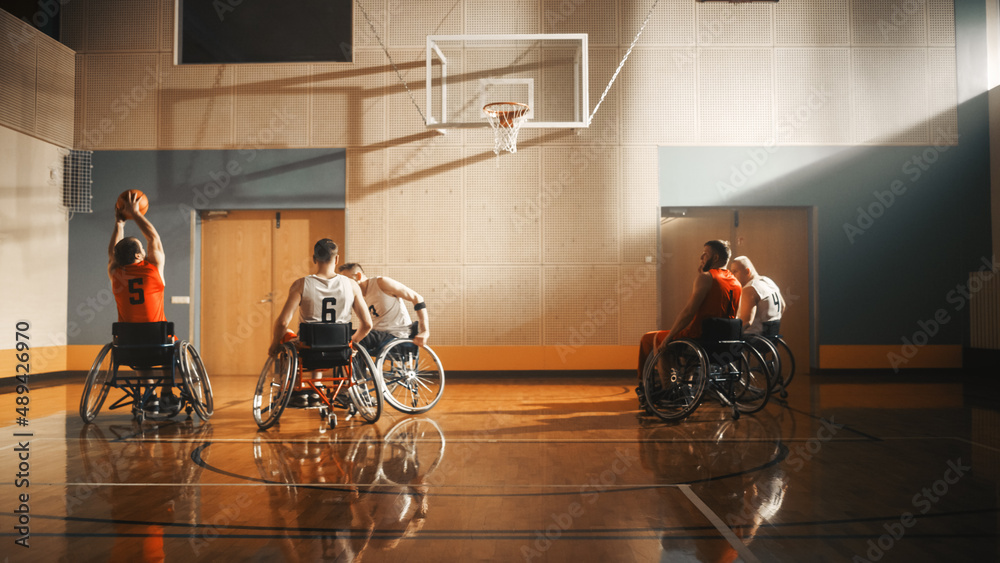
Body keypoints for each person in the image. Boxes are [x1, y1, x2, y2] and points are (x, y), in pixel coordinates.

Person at [636, 240, 742, 409]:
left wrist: (668, 338)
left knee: (658, 340)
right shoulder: (736, 282)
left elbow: (688, 313)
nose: (701, 257)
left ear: (714, 257)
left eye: (705, 254)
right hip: (722, 340)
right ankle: (679, 387)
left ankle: (669, 389)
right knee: (648, 338)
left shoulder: (707, 278)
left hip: (699, 335)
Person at [269, 239, 373, 408]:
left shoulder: (301, 284)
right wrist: (352, 343)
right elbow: (367, 324)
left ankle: (297, 391)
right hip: (340, 352)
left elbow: (282, 322)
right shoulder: (352, 285)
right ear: (337, 259)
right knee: (324, 335)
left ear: (314, 258)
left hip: (309, 351)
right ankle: (316, 387)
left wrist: (274, 345)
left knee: (289, 337)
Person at [108, 191, 173, 412]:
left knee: (141, 349)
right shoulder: (152, 270)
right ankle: (166, 394)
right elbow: (154, 237)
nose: (145, 251)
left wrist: (119, 224)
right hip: (158, 340)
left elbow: (112, 254)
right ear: (138, 257)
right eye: (141, 250)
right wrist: (135, 214)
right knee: (170, 342)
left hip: (127, 343)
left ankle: (150, 397)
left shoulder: (115, 273)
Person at [337, 263, 430, 356]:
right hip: (377, 335)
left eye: (347, 281)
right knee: (344, 334)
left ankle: (357, 371)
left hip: (396, 335)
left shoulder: (381, 283)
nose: (346, 285)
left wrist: (424, 331)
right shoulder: (359, 296)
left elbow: (417, 298)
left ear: (358, 276)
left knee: (359, 339)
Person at [729, 256, 785, 335]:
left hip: (753, 341)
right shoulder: (769, 281)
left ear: (747, 271)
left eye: (735, 271)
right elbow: (783, 306)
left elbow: (747, 322)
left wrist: (730, 335)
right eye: (731, 272)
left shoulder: (750, 288)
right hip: (771, 339)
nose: (732, 275)